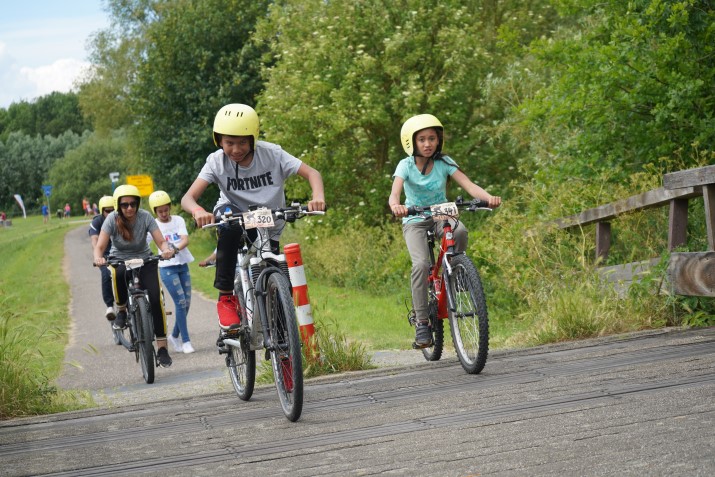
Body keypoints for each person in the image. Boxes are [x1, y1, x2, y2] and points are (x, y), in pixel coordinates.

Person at [181, 103, 326, 330]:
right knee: (229, 227)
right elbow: (188, 198)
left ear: (253, 138)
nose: (236, 149)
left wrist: (317, 196)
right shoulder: (216, 161)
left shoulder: (272, 154)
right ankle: (226, 297)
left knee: (278, 286)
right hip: (233, 213)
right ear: (219, 140)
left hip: (270, 221)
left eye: (242, 142)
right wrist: (198, 210)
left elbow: (312, 173)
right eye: (229, 143)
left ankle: (284, 350)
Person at [388, 114, 502, 347]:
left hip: (442, 213)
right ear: (411, 142)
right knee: (420, 264)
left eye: (432, 138)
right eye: (422, 139)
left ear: (438, 140)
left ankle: (455, 273)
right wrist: (396, 206)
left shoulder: (444, 162)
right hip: (415, 218)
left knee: (460, 232)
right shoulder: (405, 165)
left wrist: (488, 198)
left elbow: (469, 186)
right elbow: (394, 193)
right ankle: (421, 322)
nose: (428, 144)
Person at [93, 184, 176, 368]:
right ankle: (121, 310)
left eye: (133, 204)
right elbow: (99, 246)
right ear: (118, 206)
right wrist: (98, 258)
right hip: (120, 260)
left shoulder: (145, 217)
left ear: (138, 203)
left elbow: (160, 241)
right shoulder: (111, 220)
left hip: (144, 259)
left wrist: (166, 250)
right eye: (124, 205)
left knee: (156, 299)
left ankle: (162, 348)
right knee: (117, 272)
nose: (129, 208)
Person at [149, 190, 196, 354]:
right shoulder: (153, 225)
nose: (163, 214)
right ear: (155, 211)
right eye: (160, 211)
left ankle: (174, 336)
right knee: (180, 302)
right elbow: (145, 243)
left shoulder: (178, 220)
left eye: (166, 210)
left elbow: (185, 239)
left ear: (169, 208)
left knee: (187, 303)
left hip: (182, 264)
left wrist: (173, 249)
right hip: (167, 268)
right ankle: (186, 341)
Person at [89, 196, 117, 323]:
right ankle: (110, 306)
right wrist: (98, 257)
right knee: (106, 274)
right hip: (104, 256)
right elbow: (95, 241)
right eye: (107, 211)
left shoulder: (121, 219)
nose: (110, 213)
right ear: (101, 211)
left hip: (120, 254)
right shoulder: (96, 222)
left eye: (113, 210)